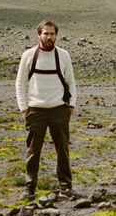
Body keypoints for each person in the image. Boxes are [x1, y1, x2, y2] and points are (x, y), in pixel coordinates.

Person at [15, 20, 78, 199]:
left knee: (63, 150)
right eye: (46, 33)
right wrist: (24, 109)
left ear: (56, 35)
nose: (49, 37)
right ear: (39, 35)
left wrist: (71, 105)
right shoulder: (28, 55)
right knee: (33, 152)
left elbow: (71, 82)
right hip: (36, 111)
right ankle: (29, 188)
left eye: (52, 34)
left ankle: (66, 187)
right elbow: (20, 83)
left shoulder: (64, 55)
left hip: (59, 109)